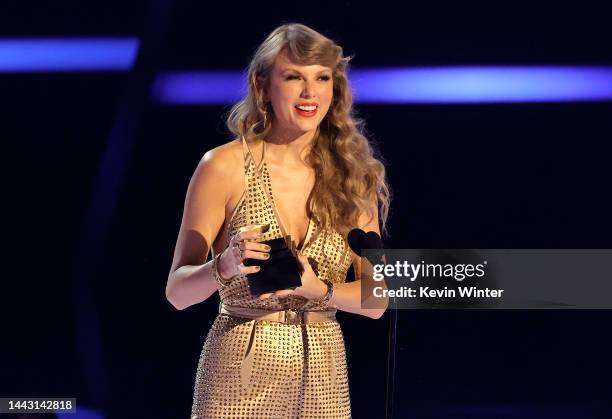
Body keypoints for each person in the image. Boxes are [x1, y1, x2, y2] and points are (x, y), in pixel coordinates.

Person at [166, 22, 391, 418]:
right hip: (239, 376)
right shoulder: (223, 166)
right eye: (294, 77)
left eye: (322, 78)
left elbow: (378, 300)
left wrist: (316, 289)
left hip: (324, 378)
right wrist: (225, 266)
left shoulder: (354, 177)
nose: (310, 92)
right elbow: (177, 293)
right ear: (262, 86)